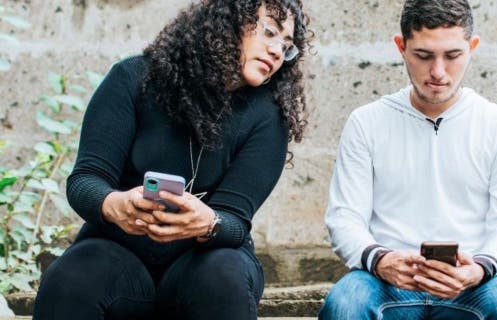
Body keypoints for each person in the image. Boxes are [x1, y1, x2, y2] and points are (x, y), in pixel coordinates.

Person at [33, 0, 310, 319]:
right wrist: (115, 203)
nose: (276, 50)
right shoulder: (134, 78)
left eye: (287, 47)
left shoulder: (268, 116)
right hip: (118, 251)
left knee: (224, 275)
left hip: (203, 261)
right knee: (71, 279)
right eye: (269, 32)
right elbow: (85, 180)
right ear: (228, 22)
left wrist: (208, 222)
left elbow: (235, 220)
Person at [319, 0, 497, 319]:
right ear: (401, 47)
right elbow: (344, 218)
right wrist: (381, 260)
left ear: (472, 48)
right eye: (423, 56)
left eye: (452, 56)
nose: (438, 72)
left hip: (471, 286)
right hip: (383, 281)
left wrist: (478, 269)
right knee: (345, 304)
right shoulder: (366, 122)